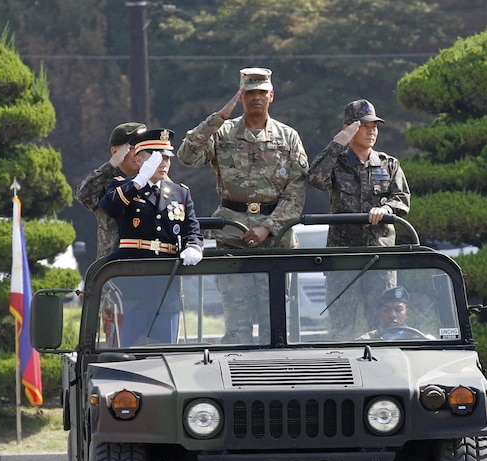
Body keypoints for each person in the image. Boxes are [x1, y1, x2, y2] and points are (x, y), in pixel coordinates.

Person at [177, 67, 308, 344]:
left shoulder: (288, 137)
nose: (256, 98)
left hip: (275, 242)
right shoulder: (222, 132)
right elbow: (187, 157)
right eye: (249, 93)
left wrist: (267, 228)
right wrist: (217, 118)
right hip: (233, 237)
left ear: (272, 95)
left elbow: (295, 192)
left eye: (261, 92)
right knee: (237, 327)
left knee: (276, 325)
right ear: (241, 97)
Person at [308, 99, 411, 337]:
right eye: (364, 126)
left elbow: (402, 199)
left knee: (386, 326)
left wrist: (385, 210)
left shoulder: (389, 164)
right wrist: (337, 144)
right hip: (344, 259)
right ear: (348, 128)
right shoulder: (337, 164)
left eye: (374, 126)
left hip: (379, 260)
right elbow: (315, 178)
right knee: (342, 329)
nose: (371, 130)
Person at [98, 129, 204, 346]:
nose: (163, 162)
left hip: (166, 285)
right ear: (138, 159)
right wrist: (138, 181)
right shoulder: (123, 187)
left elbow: (192, 229)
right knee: (127, 353)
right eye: (155, 157)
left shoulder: (179, 193)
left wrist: (194, 247)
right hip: (133, 283)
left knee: (166, 353)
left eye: (166, 157)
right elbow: (109, 206)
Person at [74, 121, 147, 259]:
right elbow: (83, 195)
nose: (139, 154)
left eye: (142, 148)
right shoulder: (105, 183)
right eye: (132, 148)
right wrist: (111, 165)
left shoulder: (153, 180)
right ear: (115, 152)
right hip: (112, 267)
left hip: (147, 265)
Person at [357, 286, 430, 340]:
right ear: (378, 313)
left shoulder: (420, 340)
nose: (392, 315)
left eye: (398, 310)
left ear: (406, 313)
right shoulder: (365, 341)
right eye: (386, 310)